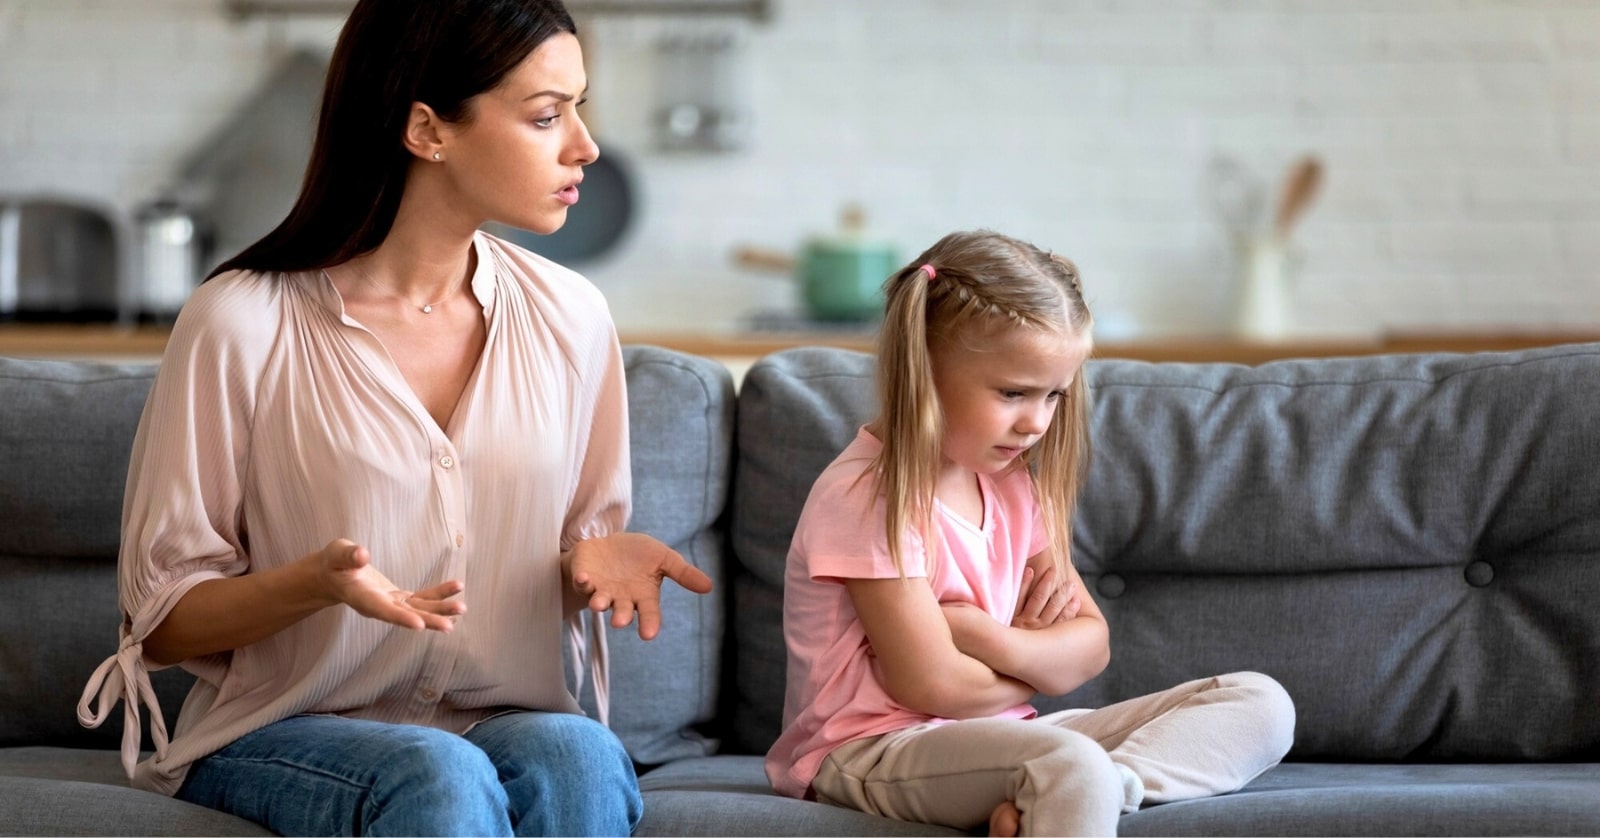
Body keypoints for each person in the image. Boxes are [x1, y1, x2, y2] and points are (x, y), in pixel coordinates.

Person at [74, 1, 713, 834]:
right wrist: (312, 586)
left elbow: (568, 562)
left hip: (500, 716)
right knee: (438, 774)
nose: (584, 146)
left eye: (579, 110)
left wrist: (586, 561)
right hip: (285, 729)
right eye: (548, 116)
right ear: (427, 129)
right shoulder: (242, 321)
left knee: (580, 754)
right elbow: (161, 626)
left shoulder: (572, 317)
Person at [764, 230, 1295, 836]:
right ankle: (1079, 784)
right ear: (925, 371)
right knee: (1067, 762)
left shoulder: (1012, 485)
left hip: (1006, 739)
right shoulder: (866, 495)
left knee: (1259, 702)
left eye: (1053, 397)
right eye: (1013, 393)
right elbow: (933, 684)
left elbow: (1091, 647)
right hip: (868, 748)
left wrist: (986, 638)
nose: (1036, 422)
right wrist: (1045, 665)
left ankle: (1106, 785)